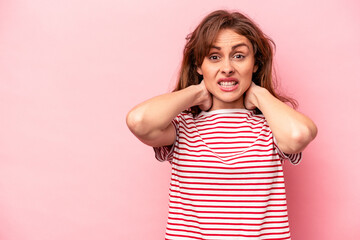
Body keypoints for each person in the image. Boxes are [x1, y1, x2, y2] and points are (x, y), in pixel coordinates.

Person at [126, 9, 317, 240]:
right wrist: (196, 92)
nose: (227, 68)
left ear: (255, 64)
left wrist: (259, 94)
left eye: (239, 56)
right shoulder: (182, 126)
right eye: (214, 57)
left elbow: (299, 135)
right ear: (199, 65)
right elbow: (139, 121)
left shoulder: (272, 126)